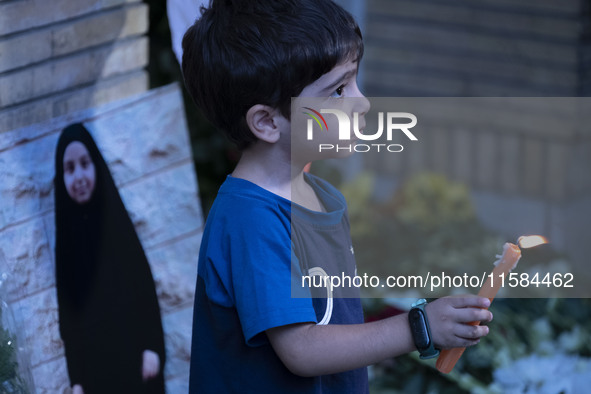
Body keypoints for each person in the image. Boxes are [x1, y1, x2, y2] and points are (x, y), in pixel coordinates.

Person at [182, 1, 493, 392]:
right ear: (266, 122)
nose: (361, 102)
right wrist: (420, 327)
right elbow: (303, 349)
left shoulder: (322, 197)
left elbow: (334, 325)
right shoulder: (251, 219)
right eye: (338, 90)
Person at [54, 123, 167, 394]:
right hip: (96, 374)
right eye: (70, 169)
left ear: (97, 166)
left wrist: (153, 346)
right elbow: (69, 317)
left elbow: (144, 286)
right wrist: (77, 380)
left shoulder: (115, 223)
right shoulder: (65, 243)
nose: (79, 176)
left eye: (84, 164)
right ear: (61, 177)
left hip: (138, 362)